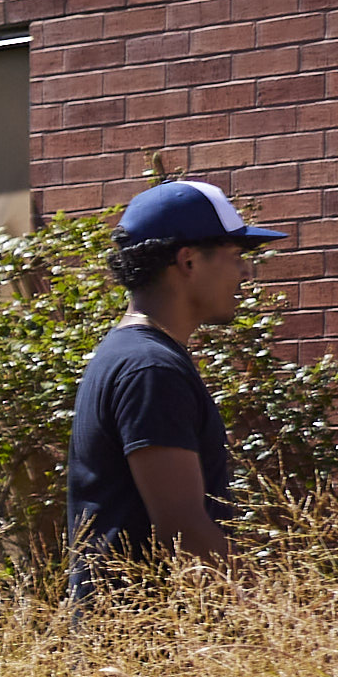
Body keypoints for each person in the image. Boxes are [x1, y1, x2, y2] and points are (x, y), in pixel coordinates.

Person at [69, 175, 288, 596]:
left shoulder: (131, 355)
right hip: (147, 648)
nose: (246, 271)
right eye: (236, 255)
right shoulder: (151, 369)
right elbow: (183, 529)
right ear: (188, 261)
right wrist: (277, 622)